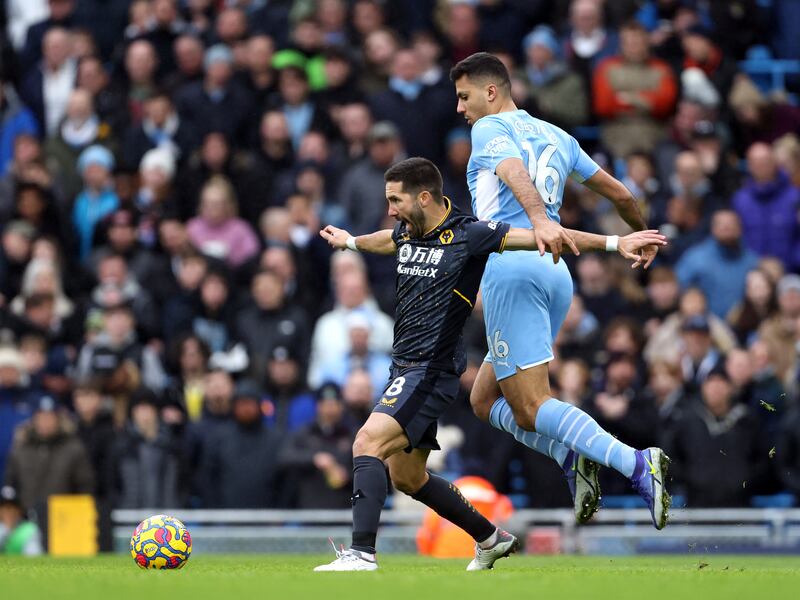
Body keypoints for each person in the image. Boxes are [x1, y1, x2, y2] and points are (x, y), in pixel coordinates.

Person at [314, 157, 664, 571]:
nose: (390, 209)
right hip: (405, 369)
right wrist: (351, 241)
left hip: (428, 370)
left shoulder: (470, 235)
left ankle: (362, 554)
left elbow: (544, 235)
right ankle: (490, 537)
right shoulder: (408, 231)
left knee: (365, 443)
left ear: (424, 196)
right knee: (408, 478)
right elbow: (386, 240)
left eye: (395, 199)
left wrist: (614, 243)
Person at [450, 52, 669, 529]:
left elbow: (512, 173)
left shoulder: (489, 129)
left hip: (513, 271)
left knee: (530, 405)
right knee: (484, 400)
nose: (461, 109)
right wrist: (638, 235)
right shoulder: (559, 136)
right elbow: (622, 195)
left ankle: (634, 462)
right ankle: (573, 459)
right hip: (555, 273)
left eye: (465, 97)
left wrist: (539, 219)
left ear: (492, 91)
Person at [0, 485, 43, 555]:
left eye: (13, 508)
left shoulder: (28, 529)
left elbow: (34, 555)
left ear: (19, 510)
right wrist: (5, 529)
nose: (9, 512)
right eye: (5, 508)